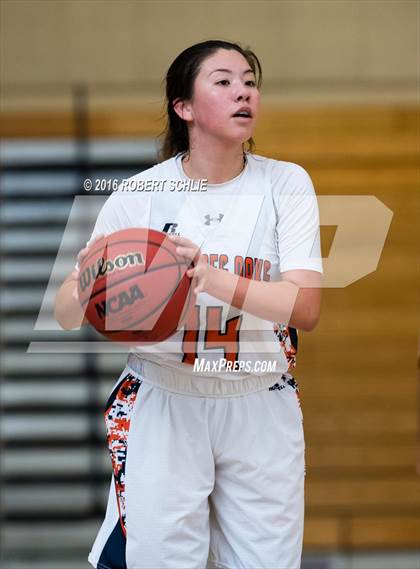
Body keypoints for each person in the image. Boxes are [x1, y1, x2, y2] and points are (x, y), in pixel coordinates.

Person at [55, 39, 323, 569]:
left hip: (259, 397)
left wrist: (211, 278)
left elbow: (306, 308)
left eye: (249, 81)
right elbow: (65, 315)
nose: (242, 92)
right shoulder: (137, 195)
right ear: (184, 107)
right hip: (165, 398)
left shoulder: (286, 183)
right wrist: (87, 280)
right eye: (223, 82)